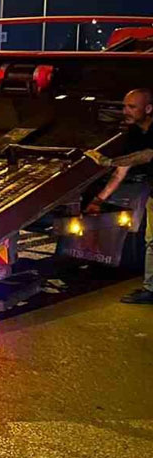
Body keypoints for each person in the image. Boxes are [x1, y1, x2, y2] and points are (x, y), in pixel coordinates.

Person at [84, 88, 153, 304]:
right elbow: (121, 171)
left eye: (132, 107)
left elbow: (147, 155)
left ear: (148, 109)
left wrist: (108, 161)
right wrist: (98, 200)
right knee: (151, 241)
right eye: (124, 106)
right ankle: (151, 290)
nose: (126, 111)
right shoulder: (134, 133)